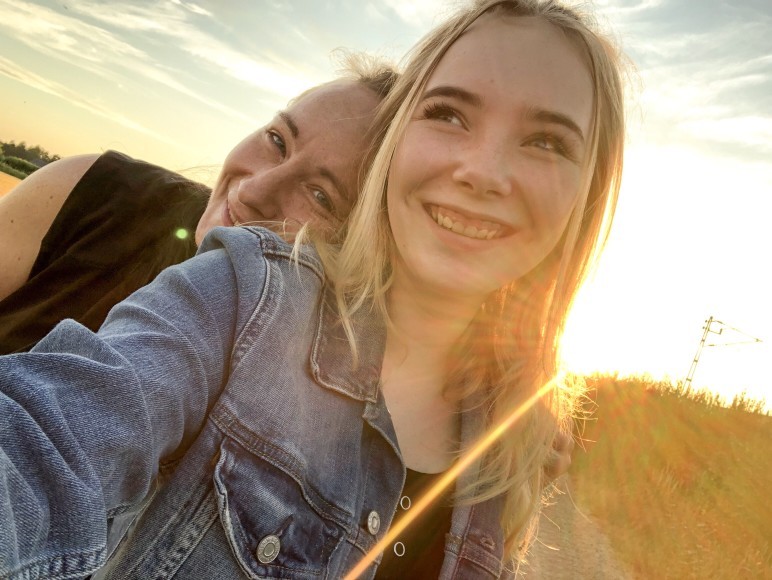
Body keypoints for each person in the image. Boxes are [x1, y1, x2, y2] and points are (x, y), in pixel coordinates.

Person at [0, 0, 625, 578]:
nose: (483, 172)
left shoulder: (507, 448)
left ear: (586, 197)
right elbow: (46, 451)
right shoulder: (243, 295)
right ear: (398, 148)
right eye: (448, 113)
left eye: (547, 141)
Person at [0, 54, 396, 354]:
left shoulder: (300, 400)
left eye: (321, 197)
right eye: (277, 140)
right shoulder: (90, 192)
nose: (254, 192)